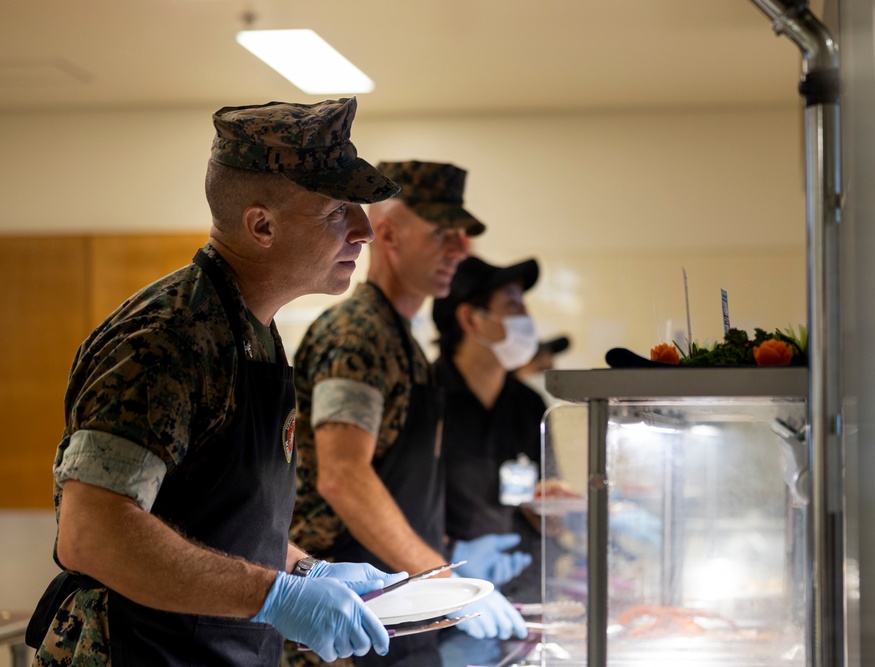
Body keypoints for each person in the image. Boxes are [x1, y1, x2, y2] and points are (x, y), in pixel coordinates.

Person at [26, 98, 407, 666]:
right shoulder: (167, 339)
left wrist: (303, 569)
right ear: (262, 225)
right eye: (335, 212)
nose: (364, 231)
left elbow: (209, 521)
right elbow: (93, 534)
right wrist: (275, 595)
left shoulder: (253, 333)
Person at [288, 161, 529, 667]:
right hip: (344, 627)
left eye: (463, 237)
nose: (461, 251)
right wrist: (446, 581)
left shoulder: (406, 342)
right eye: (444, 234)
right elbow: (342, 475)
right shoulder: (358, 333)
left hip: (397, 613)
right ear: (390, 235)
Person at [430, 257, 578, 666]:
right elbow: (397, 505)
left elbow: (544, 494)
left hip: (526, 603)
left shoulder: (528, 404)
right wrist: (448, 556)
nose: (527, 319)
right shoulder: (425, 400)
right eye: (513, 306)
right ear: (471, 320)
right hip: (446, 607)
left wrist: (552, 506)